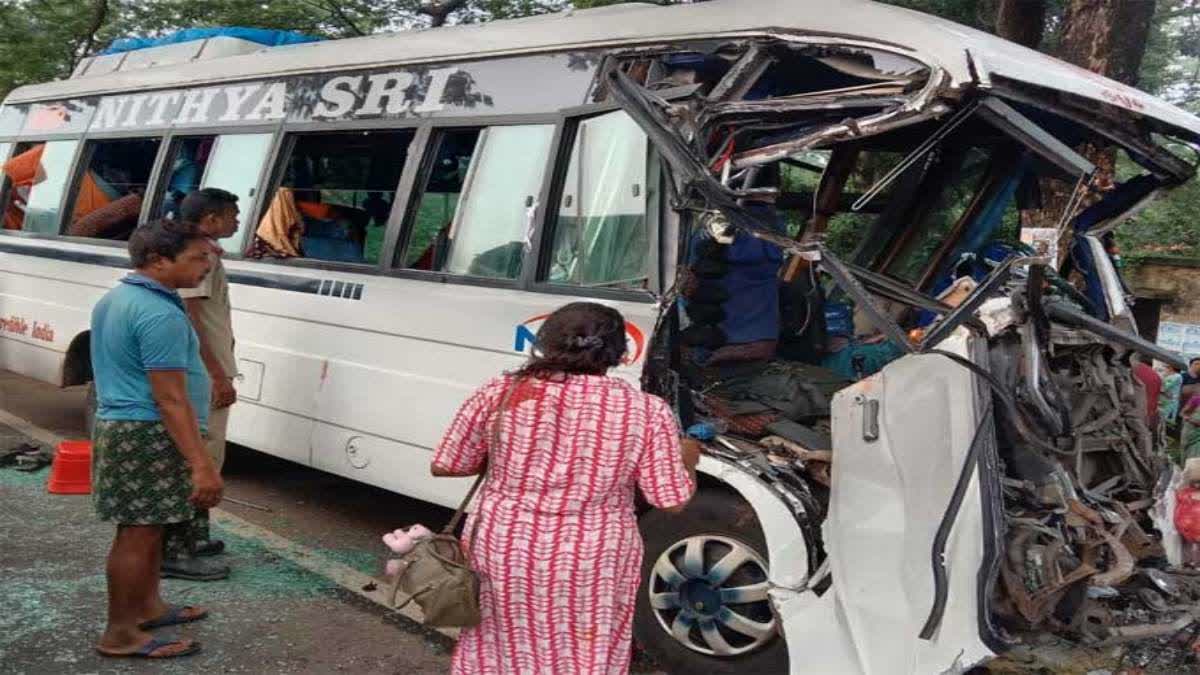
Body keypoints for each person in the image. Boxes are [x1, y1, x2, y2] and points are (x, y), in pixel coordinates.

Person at [430, 302, 699, 674]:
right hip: (595, 556)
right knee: (587, 649)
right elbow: (670, 500)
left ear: (544, 342)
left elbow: (446, 464)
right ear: (620, 353)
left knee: (498, 641)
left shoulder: (500, 392)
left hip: (505, 547)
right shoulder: (645, 410)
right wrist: (689, 456)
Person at [90, 219, 222, 659]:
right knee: (139, 533)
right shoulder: (159, 313)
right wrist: (201, 463)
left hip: (131, 428)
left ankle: (147, 606)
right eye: (197, 258)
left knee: (149, 529)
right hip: (147, 433)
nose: (207, 265)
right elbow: (170, 399)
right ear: (158, 261)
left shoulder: (121, 297)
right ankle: (121, 634)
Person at [159, 188, 240, 580]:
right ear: (210, 220)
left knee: (211, 457)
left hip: (207, 369)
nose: (238, 223)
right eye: (232, 216)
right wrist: (217, 373)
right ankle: (178, 549)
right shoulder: (197, 257)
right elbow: (191, 317)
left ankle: (195, 536)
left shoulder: (203, 253)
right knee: (201, 459)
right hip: (205, 372)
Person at [1132, 354, 1163, 429]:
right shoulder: (1157, 377)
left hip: (1129, 410)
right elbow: (1155, 401)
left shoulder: (1131, 368)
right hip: (1144, 414)